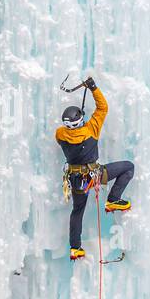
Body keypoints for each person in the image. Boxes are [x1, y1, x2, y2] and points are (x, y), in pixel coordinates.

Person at [56, 77, 134, 261]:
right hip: (95, 175)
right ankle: (113, 200)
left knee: (77, 211)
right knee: (128, 167)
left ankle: (76, 248)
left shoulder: (60, 134)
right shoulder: (91, 129)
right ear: (80, 121)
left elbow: (70, 130)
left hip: (76, 180)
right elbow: (102, 108)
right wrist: (93, 88)